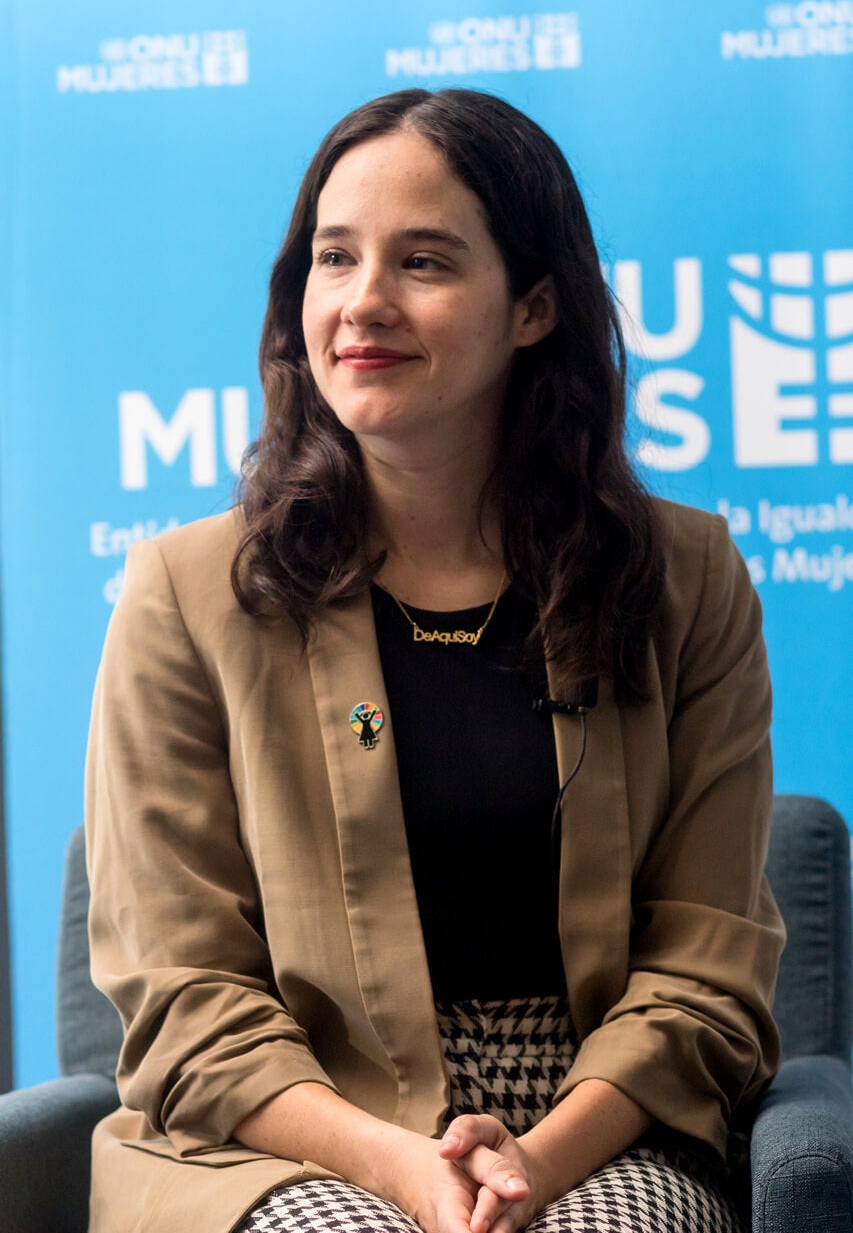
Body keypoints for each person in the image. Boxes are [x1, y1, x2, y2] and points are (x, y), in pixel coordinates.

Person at [85, 88, 784, 1233]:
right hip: (287, 1132)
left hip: (593, 1119)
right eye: (333, 257)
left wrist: (534, 1163)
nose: (363, 302)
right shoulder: (183, 594)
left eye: (422, 261)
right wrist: (403, 1168)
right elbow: (182, 995)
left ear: (534, 307)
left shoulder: (686, 578)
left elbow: (707, 970)